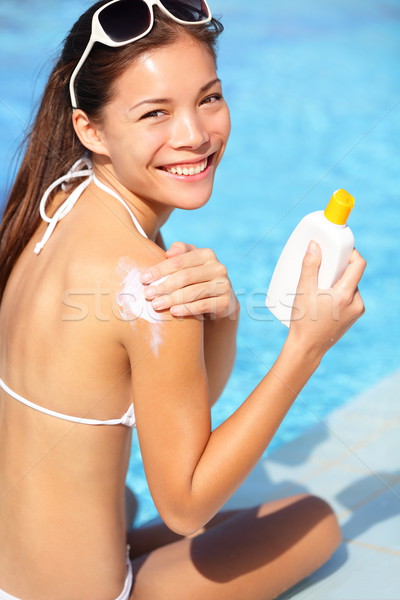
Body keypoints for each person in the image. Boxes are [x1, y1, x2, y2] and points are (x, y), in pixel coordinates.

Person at [0, 1, 366, 599]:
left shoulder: (53, 207)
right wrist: (306, 348)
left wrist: (223, 317)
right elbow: (187, 509)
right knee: (315, 517)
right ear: (88, 128)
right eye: (155, 112)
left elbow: (182, 408)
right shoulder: (145, 282)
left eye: (209, 98)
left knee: (121, 497)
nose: (194, 134)